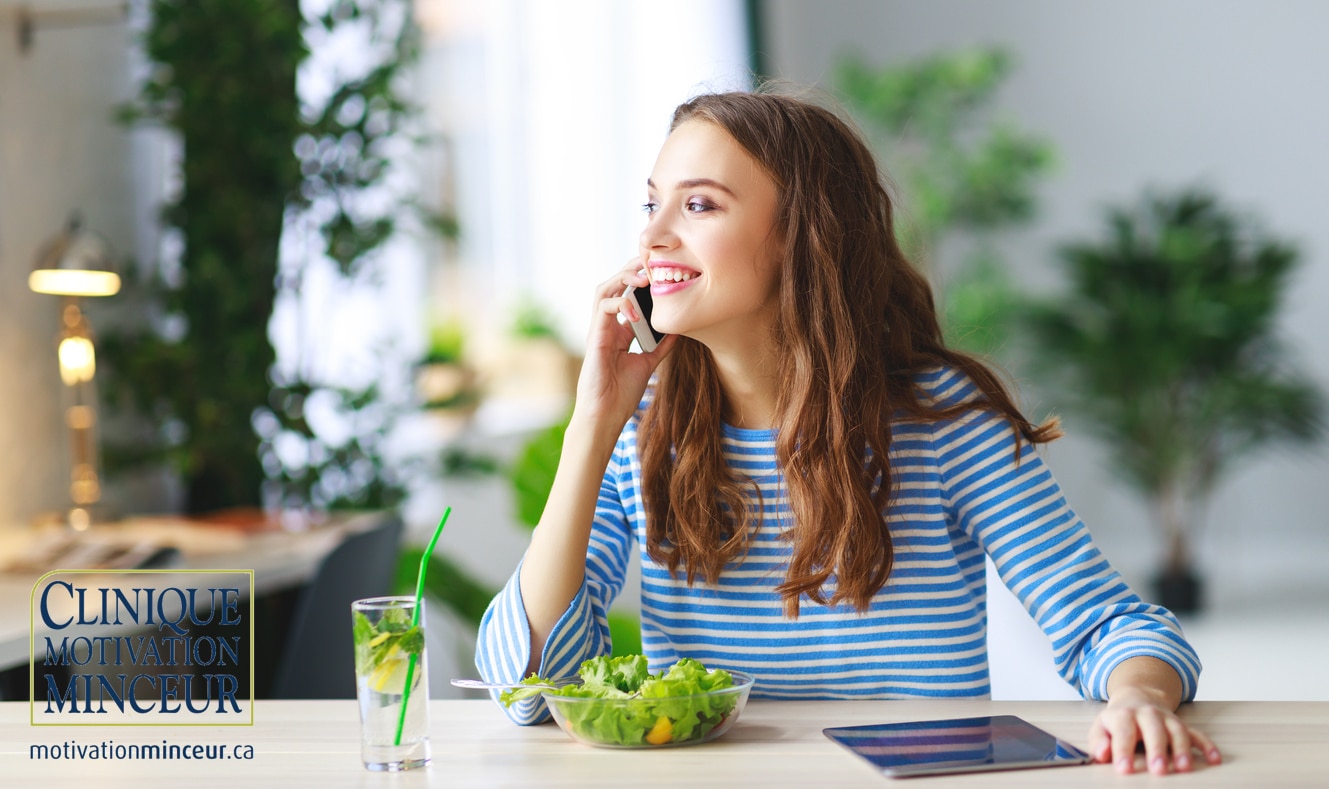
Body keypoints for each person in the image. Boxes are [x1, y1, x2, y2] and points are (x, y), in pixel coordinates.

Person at [475, 87, 1221, 776]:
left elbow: (1107, 625)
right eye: (649, 204)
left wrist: (1138, 697)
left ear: (800, 235)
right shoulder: (643, 426)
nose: (653, 237)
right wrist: (591, 426)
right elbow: (526, 686)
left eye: (698, 205)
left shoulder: (942, 420)